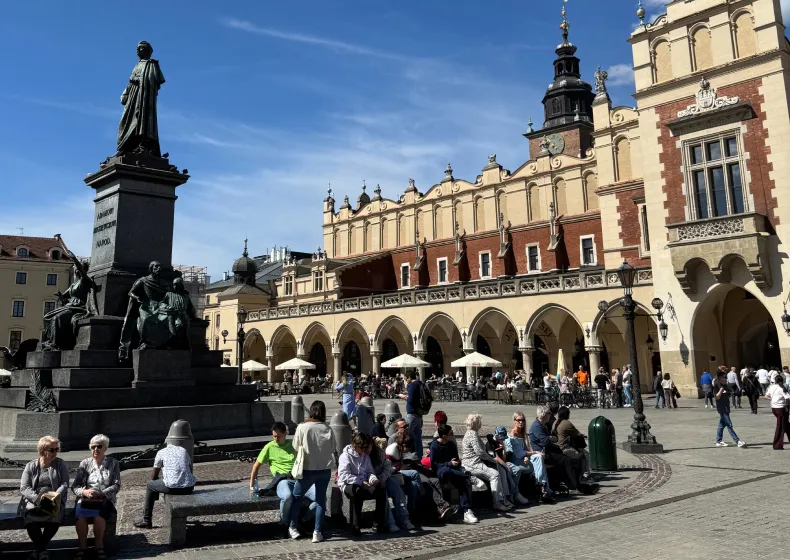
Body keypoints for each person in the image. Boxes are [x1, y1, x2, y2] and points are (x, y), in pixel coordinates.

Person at [248, 422, 316, 530]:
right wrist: (252, 486)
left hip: (298, 478)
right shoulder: (269, 447)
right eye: (274, 436)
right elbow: (256, 466)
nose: (275, 439)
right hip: (282, 480)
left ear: (285, 434)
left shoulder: (293, 445)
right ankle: (284, 523)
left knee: (320, 497)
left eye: (278, 436)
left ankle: (304, 520)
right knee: (287, 497)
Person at [288, 400, 336, 542]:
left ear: (311, 411)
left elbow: (295, 446)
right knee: (321, 501)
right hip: (324, 469)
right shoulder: (328, 428)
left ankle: (293, 527)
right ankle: (317, 532)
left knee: (297, 497)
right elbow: (333, 448)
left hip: (307, 469)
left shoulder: (302, 427)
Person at [19, 436, 69, 560]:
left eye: (56, 449)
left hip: (53, 501)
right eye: (52, 450)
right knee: (30, 519)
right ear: (42, 450)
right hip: (34, 501)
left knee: (55, 517)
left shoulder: (60, 464)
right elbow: (24, 487)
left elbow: (64, 483)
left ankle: (39, 550)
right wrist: (38, 499)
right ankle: (42, 550)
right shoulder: (31, 466)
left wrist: (55, 496)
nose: (55, 453)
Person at [72, 435, 121, 560]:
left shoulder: (113, 463)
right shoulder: (85, 463)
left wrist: (102, 493)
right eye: (93, 447)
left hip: (104, 498)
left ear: (105, 448)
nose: (95, 449)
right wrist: (85, 492)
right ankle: (82, 546)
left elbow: (116, 485)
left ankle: (99, 545)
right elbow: (75, 486)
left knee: (99, 515)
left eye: (99, 446)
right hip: (86, 499)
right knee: (80, 515)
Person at [134, 442, 197, 529]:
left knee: (150, 485)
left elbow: (153, 476)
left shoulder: (161, 452)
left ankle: (147, 520)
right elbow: (188, 468)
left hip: (172, 487)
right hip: (189, 487)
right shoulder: (183, 450)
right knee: (162, 482)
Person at [338, 433, 389, 535]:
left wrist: (373, 479)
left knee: (381, 490)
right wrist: (360, 482)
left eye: (365, 447)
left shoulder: (365, 456)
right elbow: (344, 475)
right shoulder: (345, 456)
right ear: (354, 445)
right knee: (358, 492)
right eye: (361, 448)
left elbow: (369, 471)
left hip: (365, 482)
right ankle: (355, 526)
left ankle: (377, 525)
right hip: (349, 483)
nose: (363, 450)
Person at [461, 413, 512, 511]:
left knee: (497, 471)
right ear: (476, 423)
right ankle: (497, 502)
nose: (481, 423)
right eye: (480, 421)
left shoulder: (471, 432)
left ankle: (503, 499)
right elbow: (479, 452)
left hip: (473, 462)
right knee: (495, 475)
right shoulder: (472, 434)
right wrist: (492, 459)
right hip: (472, 464)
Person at [429, 425, 479, 524]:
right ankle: (469, 476)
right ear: (443, 436)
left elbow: (456, 459)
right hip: (441, 471)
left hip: (453, 471)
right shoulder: (434, 446)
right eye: (450, 433)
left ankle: (466, 510)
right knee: (446, 471)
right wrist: (448, 464)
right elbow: (435, 465)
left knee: (462, 482)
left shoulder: (451, 444)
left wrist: (455, 463)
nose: (452, 435)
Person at [506, 411, 554, 504]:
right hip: (516, 461)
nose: (521, 422)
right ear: (514, 421)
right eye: (519, 420)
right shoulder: (511, 435)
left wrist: (528, 455)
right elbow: (518, 453)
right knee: (538, 460)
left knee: (538, 458)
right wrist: (530, 453)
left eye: (523, 420)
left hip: (525, 459)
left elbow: (527, 449)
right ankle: (543, 488)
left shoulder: (523, 434)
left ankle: (541, 484)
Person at [529, 405, 578, 491]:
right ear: (544, 415)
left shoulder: (542, 425)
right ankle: (574, 485)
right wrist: (551, 439)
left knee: (565, 457)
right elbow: (546, 442)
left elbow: (551, 439)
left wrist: (551, 439)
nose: (551, 415)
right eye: (549, 413)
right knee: (567, 461)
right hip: (542, 453)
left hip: (547, 450)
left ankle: (569, 482)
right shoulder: (537, 426)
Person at [371, 437, 414, 531]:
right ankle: (390, 522)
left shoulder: (381, 453)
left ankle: (404, 519)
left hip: (384, 477)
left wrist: (383, 476)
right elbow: (366, 472)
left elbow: (387, 467)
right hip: (372, 481)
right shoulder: (366, 455)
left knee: (398, 491)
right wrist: (376, 478)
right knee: (383, 495)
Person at [492, 427, 530, 506]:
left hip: (504, 462)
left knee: (517, 470)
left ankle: (513, 494)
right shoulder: (492, 442)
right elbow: (497, 458)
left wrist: (503, 448)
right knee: (508, 472)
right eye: (501, 439)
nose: (502, 440)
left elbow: (504, 458)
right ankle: (514, 494)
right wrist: (506, 466)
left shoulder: (502, 442)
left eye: (503, 439)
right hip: (496, 463)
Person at [552, 407, 592, 481]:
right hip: (564, 449)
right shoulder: (566, 423)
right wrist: (584, 436)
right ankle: (585, 475)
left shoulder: (555, 422)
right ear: (567, 414)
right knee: (584, 454)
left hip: (556, 448)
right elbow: (577, 434)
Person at [713, 370, 746, 448]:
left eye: (726, 377)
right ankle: (737, 441)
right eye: (724, 377)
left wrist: (728, 393)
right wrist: (721, 391)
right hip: (722, 408)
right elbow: (717, 397)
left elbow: (729, 394)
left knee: (722, 425)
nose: (726, 379)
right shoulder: (717, 386)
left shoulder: (725, 386)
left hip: (726, 407)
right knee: (729, 425)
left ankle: (719, 441)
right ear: (720, 378)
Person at [762, 377, 790, 450]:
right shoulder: (782, 388)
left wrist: (773, 399)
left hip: (774, 408)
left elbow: (766, 396)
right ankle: (777, 445)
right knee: (780, 426)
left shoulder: (771, 387)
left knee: (786, 424)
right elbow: (788, 398)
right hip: (781, 408)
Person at [403, 370, 426, 459]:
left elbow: (411, 400)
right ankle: (419, 456)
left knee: (407, 435)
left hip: (412, 413)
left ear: (409, 378)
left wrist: (404, 397)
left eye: (405, 379)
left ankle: (410, 456)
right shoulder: (420, 383)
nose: (405, 380)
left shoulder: (412, 385)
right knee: (418, 437)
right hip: (419, 414)